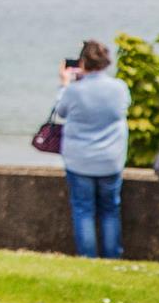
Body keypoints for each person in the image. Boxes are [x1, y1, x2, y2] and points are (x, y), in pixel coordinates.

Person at [53, 40, 130, 258]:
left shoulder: (74, 91)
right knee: (110, 211)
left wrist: (64, 83)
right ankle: (112, 256)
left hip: (80, 160)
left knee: (83, 210)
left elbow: (61, 111)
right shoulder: (119, 88)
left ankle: (87, 257)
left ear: (83, 62)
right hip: (110, 159)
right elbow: (123, 109)